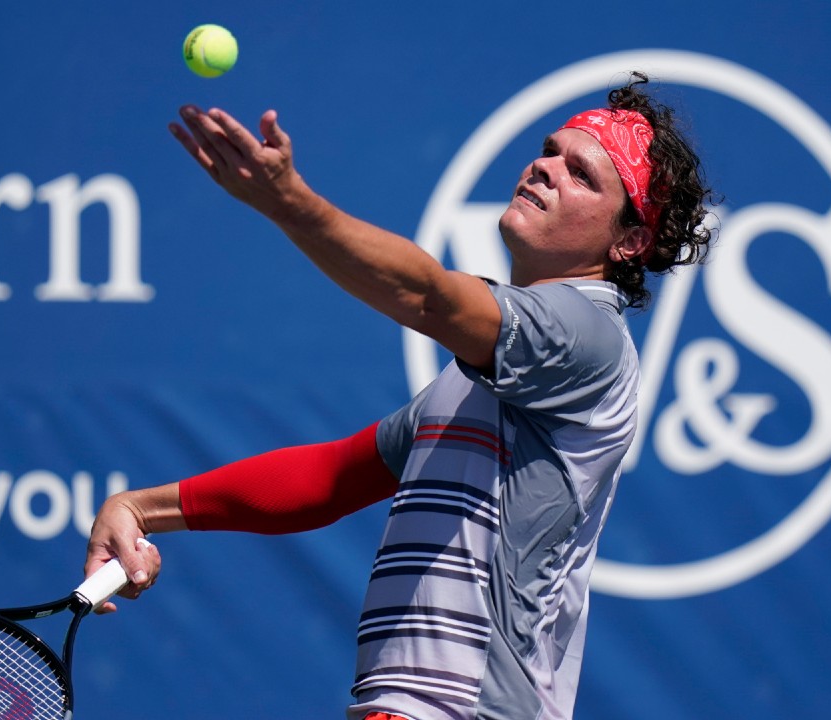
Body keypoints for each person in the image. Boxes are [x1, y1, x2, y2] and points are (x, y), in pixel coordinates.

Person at [84, 72, 714, 720]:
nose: (546, 167)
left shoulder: (588, 336)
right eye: (550, 149)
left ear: (629, 241)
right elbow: (329, 478)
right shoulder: (480, 372)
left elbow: (427, 296)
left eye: (581, 174)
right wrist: (142, 509)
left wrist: (292, 203)